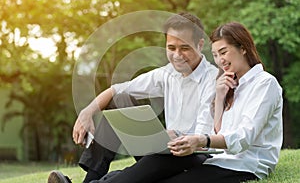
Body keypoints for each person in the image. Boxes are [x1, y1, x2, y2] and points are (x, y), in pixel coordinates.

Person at [84, 22, 283, 183]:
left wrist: (197, 140)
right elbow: (219, 132)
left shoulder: (265, 84)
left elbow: (242, 138)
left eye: (223, 52)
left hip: (245, 163)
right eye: (216, 55)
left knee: (160, 168)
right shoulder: (230, 84)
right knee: (157, 162)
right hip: (214, 157)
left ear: (243, 48)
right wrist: (221, 98)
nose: (220, 60)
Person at [48, 12, 218, 183]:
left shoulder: (213, 79)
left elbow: (204, 137)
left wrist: (179, 137)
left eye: (185, 48)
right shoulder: (167, 73)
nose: (177, 55)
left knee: (157, 161)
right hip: (168, 148)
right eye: (171, 48)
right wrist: (87, 112)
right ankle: (92, 178)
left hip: (197, 155)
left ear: (200, 44)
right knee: (120, 100)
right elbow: (116, 90)